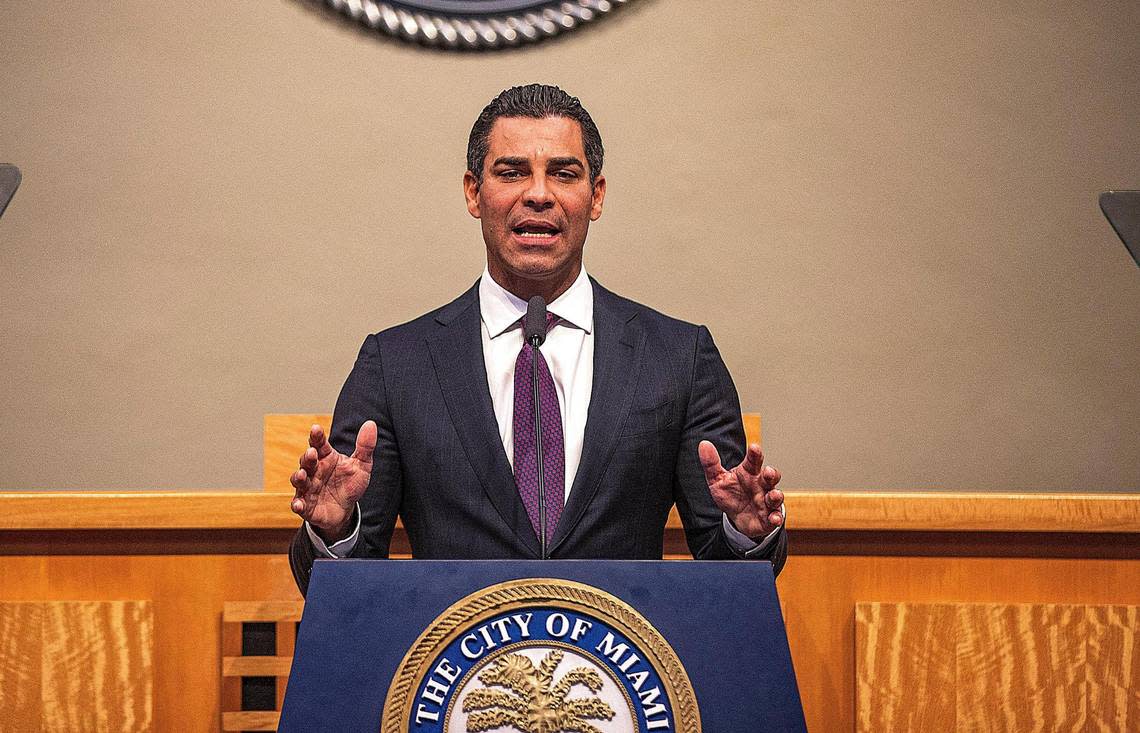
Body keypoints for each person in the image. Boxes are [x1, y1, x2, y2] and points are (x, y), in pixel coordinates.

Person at [287, 84, 786, 595]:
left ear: (596, 197)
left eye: (564, 174)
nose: (539, 194)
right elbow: (345, 581)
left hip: (621, 664)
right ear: (473, 193)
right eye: (512, 172)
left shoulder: (679, 358)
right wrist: (334, 528)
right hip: (455, 665)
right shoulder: (396, 365)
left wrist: (746, 533)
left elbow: (728, 577)